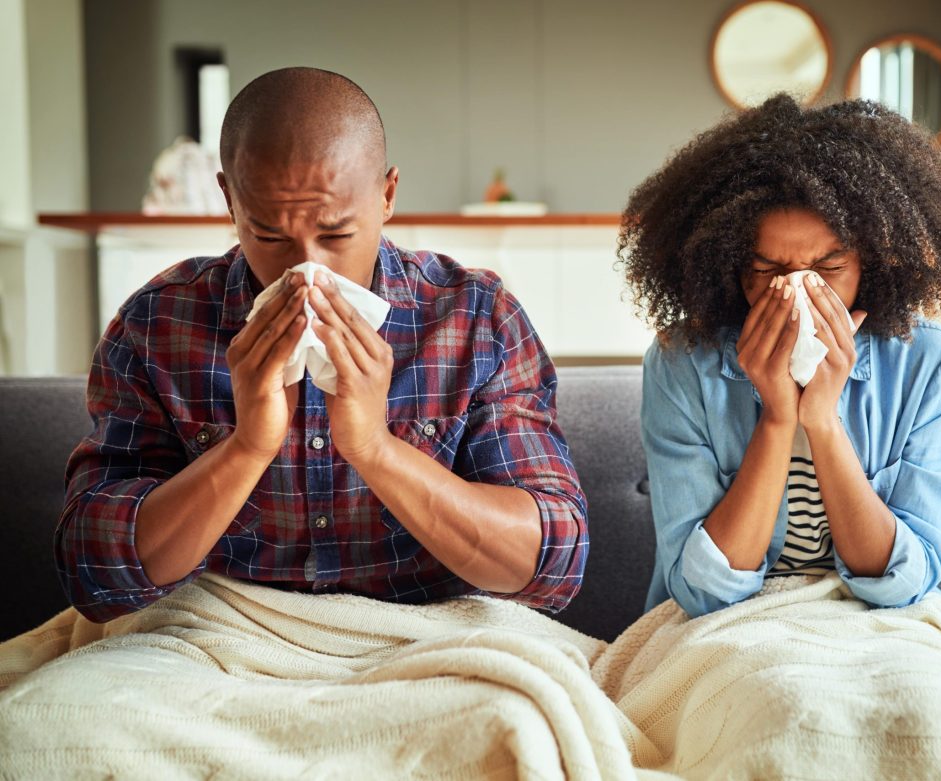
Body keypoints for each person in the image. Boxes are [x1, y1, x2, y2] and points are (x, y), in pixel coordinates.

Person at [56, 67, 587, 622]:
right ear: (229, 200)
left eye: (335, 235)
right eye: (268, 235)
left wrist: (376, 449)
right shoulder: (158, 323)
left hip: (430, 632)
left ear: (387, 195)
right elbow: (93, 577)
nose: (307, 268)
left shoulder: (475, 317)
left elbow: (551, 569)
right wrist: (246, 448)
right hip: (218, 637)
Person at [620, 94, 941, 618]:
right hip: (731, 626)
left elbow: (903, 582)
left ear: (873, 262)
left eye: (829, 268)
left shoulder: (926, 361)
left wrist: (822, 421)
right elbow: (704, 593)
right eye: (769, 271)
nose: (798, 292)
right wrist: (776, 418)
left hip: (877, 625)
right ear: (730, 267)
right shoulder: (682, 365)